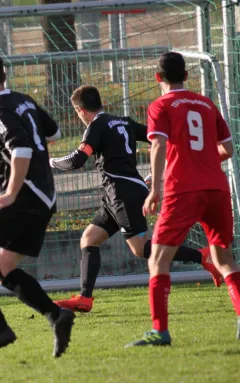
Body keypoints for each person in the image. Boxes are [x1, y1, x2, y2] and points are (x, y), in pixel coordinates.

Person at [49, 85, 220, 313]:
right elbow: (161, 139)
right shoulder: (124, 122)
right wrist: (151, 174)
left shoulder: (96, 125)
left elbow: (78, 160)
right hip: (116, 195)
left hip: (123, 194)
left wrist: (49, 162)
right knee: (89, 239)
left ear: (80, 110)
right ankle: (84, 297)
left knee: (140, 249)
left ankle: (202, 256)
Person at [0, 53, 74, 361]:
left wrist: (10, 192)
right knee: (1, 269)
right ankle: (55, 315)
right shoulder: (24, 100)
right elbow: (53, 133)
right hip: (45, 196)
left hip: (24, 196)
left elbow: (21, 146)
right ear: (5, 76)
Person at [127, 51, 240, 346]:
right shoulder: (205, 103)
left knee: (158, 259)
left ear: (157, 78)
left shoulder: (160, 105)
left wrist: (155, 188)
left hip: (183, 189)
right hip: (216, 188)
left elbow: (159, 144)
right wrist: (200, 158)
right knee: (225, 259)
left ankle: (160, 331)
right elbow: (227, 149)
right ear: (187, 76)